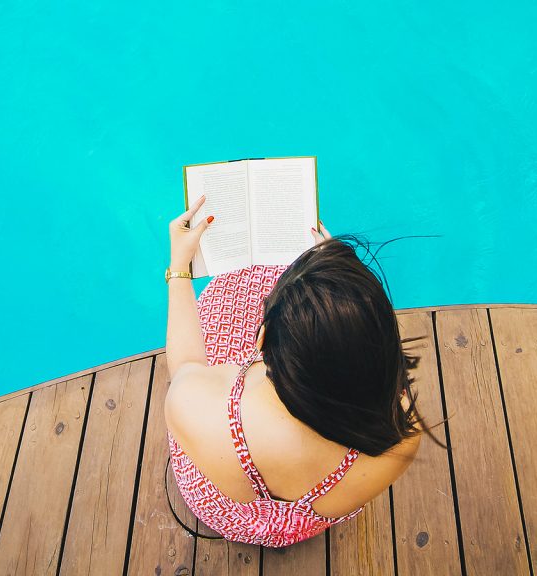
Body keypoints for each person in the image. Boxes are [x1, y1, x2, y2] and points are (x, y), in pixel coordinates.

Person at [163, 195, 438, 548]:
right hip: (320, 507)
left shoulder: (204, 415)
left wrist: (179, 269)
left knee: (222, 296)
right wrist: (342, 283)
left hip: (224, 500)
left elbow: (185, 366)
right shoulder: (400, 434)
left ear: (261, 340)